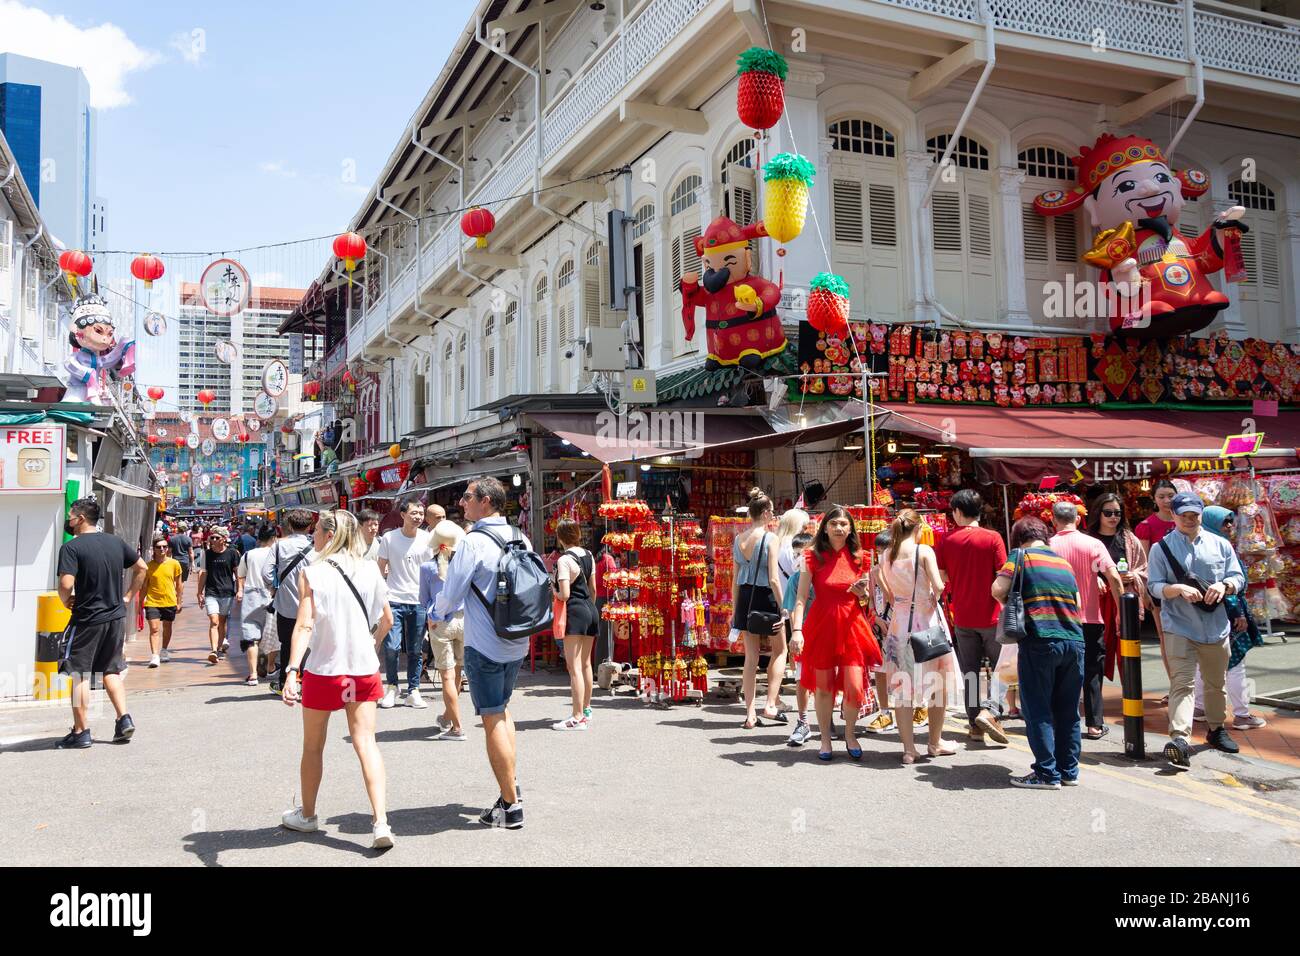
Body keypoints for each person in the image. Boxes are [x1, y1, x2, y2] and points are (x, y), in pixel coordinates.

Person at [280, 509, 396, 850]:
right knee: (366, 743)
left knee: (313, 745)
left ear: (329, 535)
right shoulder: (369, 570)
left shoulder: (313, 572)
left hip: (324, 670)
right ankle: (381, 822)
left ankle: (309, 814)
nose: (313, 536)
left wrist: (291, 671)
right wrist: (369, 644)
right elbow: (386, 619)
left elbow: (304, 624)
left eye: (316, 530)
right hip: (362, 670)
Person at [434, 477, 529, 829]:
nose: (462, 502)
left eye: (467, 497)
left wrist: (436, 615)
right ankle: (512, 784)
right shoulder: (520, 535)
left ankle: (510, 805)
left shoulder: (473, 542)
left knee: (491, 719)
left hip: (486, 642)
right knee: (502, 713)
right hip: (517, 639)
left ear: (485, 501)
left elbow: (452, 592)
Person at [1147, 492, 1247, 768]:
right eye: (1184, 515)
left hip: (1215, 626)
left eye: (1194, 515)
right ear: (1174, 516)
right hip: (1178, 625)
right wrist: (1176, 589)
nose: (1190, 520)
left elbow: (1237, 577)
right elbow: (1153, 586)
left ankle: (1216, 729)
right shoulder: (1161, 548)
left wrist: (1223, 586)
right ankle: (1179, 738)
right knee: (1183, 683)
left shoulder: (1220, 544)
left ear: (1202, 514)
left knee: (1216, 683)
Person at [993, 517, 1085, 789]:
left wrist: (1012, 605)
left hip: (1040, 640)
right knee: (1068, 711)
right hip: (1074, 640)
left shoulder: (1020, 556)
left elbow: (997, 589)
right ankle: (1069, 771)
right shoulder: (1063, 562)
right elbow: (1077, 601)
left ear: (1018, 537)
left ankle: (1046, 773)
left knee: (1038, 708)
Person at [790, 508, 883, 761]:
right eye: (834, 523)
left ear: (851, 528)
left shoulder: (861, 557)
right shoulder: (811, 555)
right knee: (823, 688)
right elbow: (800, 598)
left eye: (844, 524)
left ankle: (850, 734)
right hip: (822, 625)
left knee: (854, 686)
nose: (839, 528)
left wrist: (861, 593)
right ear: (825, 527)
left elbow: (866, 600)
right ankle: (824, 739)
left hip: (853, 625)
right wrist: (796, 630)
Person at [54, 497, 147, 748]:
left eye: (71, 516)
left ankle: (81, 731)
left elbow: (65, 584)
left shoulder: (72, 548)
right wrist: (127, 597)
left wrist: (66, 601)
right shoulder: (115, 542)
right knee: (111, 670)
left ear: (81, 519)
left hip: (87, 618)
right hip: (115, 617)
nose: (69, 521)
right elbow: (142, 567)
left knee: (79, 673)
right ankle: (123, 718)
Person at [880, 510, 960, 763]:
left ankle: (908, 749)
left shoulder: (886, 555)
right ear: (919, 527)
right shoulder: (924, 551)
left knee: (904, 687)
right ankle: (934, 743)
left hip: (899, 624)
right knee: (938, 684)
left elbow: (890, 594)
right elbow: (938, 585)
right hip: (926, 624)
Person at [936, 489, 1010, 744]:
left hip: (963, 616)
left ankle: (974, 724)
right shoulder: (993, 538)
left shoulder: (946, 540)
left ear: (957, 511)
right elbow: (1004, 575)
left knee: (970, 672)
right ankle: (991, 713)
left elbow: (943, 577)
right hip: (992, 615)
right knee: (1002, 669)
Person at [1049, 501, 1124, 741]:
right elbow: (1113, 575)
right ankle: (1094, 724)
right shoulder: (1093, 544)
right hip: (1090, 618)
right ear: (1079, 520)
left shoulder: (1048, 546)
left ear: (1053, 521)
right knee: (1092, 671)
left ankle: (1059, 720)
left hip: (1056, 620)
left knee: (1059, 671)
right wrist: (1122, 610)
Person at [1193, 507, 1267, 730]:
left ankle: (1199, 708)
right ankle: (1242, 715)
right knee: (1235, 664)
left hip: (1202, 613)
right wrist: (1238, 613)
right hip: (1227, 612)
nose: (1229, 526)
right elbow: (1229, 585)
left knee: (1202, 662)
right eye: (1225, 522)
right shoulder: (1221, 547)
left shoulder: (1198, 544)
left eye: (1230, 522)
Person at [733, 488, 786, 730]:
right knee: (780, 649)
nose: (774, 516)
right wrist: (784, 607)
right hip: (765, 595)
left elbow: (735, 579)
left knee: (750, 657)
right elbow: (774, 578)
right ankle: (771, 703)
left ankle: (750, 713)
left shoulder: (738, 539)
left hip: (745, 596)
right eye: (773, 512)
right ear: (765, 514)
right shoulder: (770, 538)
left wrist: (736, 611)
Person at [1085, 493, 1149, 686]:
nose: (1114, 517)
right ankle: (1093, 696)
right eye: (1108, 513)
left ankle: (1130, 692)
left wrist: (1133, 576)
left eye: (1117, 513)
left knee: (1127, 648)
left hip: (1125, 599)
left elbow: (1142, 567)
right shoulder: (1089, 539)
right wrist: (1094, 579)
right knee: (1096, 648)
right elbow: (1080, 568)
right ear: (1098, 514)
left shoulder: (1129, 539)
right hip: (1097, 601)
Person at [377, 497, 434, 709]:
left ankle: (414, 690)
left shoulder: (428, 539)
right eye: (414, 513)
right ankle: (392, 686)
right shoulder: (389, 539)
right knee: (391, 647)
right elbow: (379, 568)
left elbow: (432, 571)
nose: (418, 517)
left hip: (418, 602)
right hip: (393, 599)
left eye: (421, 513)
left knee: (415, 648)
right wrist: (380, 597)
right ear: (402, 515)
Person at [420, 520, 468, 741]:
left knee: (447, 676)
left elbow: (423, 599)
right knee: (457, 673)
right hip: (465, 620)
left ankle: (456, 727)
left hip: (441, 623)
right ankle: (448, 717)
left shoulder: (427, 567)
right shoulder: (463, 565)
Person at [552, 517, 599, 731]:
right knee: (587, 663)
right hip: (590, 609)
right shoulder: (588, 555)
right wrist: (590, 606)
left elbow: (564, 594)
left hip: (575, 612)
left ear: (560, 537)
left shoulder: (564, 560)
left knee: (573, 667)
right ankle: (587, 709)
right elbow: (594, 588)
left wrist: (551, 589)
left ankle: (577, 716)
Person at [263, 509, 316, 692]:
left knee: (287, 643)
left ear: (290, 526)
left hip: (285, 604)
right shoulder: (317, 546)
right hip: (311, 605)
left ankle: (286, 682)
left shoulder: (278, 546)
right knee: (312, 643)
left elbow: (266, 574)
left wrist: (275, 587)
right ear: (310, 526)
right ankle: (310, 682)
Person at [1135, 478, 1178, 684]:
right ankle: (1175, 684)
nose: (1166, 500)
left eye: (1170, 496)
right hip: (1159, 587)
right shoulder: (1146, 526)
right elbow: (1144, 562)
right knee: (1165, 636)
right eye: (1161, 497)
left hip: (1187, 586)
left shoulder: (1186, 520)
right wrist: (1144, 592)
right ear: (1154, 499)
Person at [863, 531, 898, 735]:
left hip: (899, 625)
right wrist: (875, 619)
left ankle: (911, 709)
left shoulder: (899, 571)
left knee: (903, 671)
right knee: (880, 670)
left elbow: (893, 599)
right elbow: (869, 603)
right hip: (880, 627)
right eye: (879, 550)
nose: (881, 554)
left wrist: (881, 577)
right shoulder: (873, 572)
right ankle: (885, 712)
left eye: (885, 550)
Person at [782, 531, 816, 746]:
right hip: (802, 633)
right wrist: (795, 632)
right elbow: (791, 606)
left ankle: (826, 718)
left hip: (824, 632)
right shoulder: (795, 578)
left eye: (802, 555)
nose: (798, 560)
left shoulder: (823, 575)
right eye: (795, 555)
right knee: (801, 679)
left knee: (826, 680)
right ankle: (803, 721)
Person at [236, 525, 277, 687]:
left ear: (259, 538)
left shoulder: (248, 555)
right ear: (274, 538)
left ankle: (253, 675)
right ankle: (270, 666)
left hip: (251, 596)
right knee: (273, 635)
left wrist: (240, 590)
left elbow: (240, 575)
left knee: (251, 636)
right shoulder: (276, 554)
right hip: (271, 595)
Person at [195, 527, 240, 666]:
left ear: (223, 539)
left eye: (216, 537)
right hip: (211, 592)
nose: (213, 540)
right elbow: (204, 573)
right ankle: (213, 650)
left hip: (227, 592)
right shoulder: (207, 554)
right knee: (214, 621)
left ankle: (220, 648)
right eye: (211, 537)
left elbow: (237, 574)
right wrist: (199, 592)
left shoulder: (232, 553)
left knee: (222, 622)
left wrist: (239, 590)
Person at [142, 536, 182, 668]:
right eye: (159, 547)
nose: (162, 549)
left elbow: (179, 584)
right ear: (154, 549)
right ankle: (154, 656)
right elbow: (144, 586)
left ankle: (164, 649)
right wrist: (140, 603)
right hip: (152, 602)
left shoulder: (174, 564)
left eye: (164, 546)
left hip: (169, 601)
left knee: (167, 627)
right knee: (154, 629)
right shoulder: (148, 566)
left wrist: (179, 601)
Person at [168, 521, 194, 619]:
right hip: (184, 562)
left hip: (174, 561)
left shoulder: (172, 539)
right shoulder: (188, 539)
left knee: (174, 580)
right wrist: (192, 563)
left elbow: (169, 552)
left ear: (177, 528)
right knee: (181, 581)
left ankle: (175, 596)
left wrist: (167, 561)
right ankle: (180, 597)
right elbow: (191, 552)